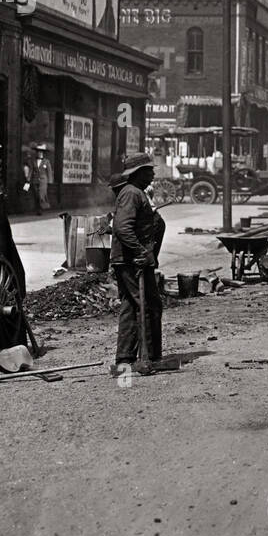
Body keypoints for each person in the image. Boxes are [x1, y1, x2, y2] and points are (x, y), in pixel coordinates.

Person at [110, 152, 167, 376]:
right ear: (138, 173)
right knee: (149, 305)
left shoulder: (136, 193)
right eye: (149, 170)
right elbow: (123, 227)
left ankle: (125, 358)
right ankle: (149, 356)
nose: (153, 173)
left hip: (131, 259)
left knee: (130, 305)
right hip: (131, 260)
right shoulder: (131, 194)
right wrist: (140, 251)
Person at [34, 147, 52, 212]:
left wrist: (50, 181)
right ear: (37, 153)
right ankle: (38, 208)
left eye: (41, 152)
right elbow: (31, 171)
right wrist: (27, 181)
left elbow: (49, 171)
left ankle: (40, 209)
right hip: (35, 180)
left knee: (41, 194)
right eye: (38, 152)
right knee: (36, 195)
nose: (39, 153)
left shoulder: (46, 161)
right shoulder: (34, 161)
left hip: (43, 180)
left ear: (43, 153)